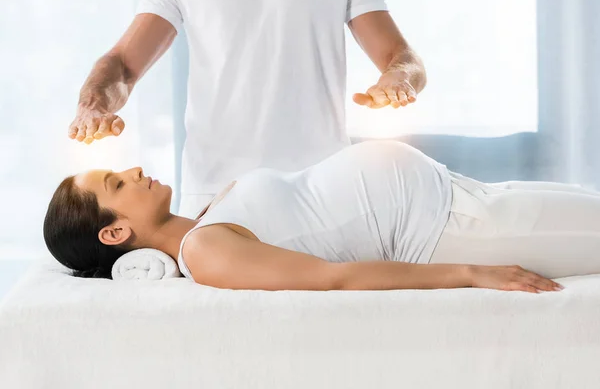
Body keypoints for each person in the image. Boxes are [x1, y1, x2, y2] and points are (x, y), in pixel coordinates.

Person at [44, 140, 600, 293]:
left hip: (460, 191)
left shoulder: (207, 215)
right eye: (117, 183)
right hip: (455, 230)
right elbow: (334, 277)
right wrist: (474, 273)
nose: (135, 169)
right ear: (115, 231)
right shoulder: (205, 253)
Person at [67, 0, 427, 218]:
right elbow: (123, 66)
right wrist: (93, 103)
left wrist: (399, 78)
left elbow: (402, 57)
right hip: (216, 194)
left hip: (324, 188)